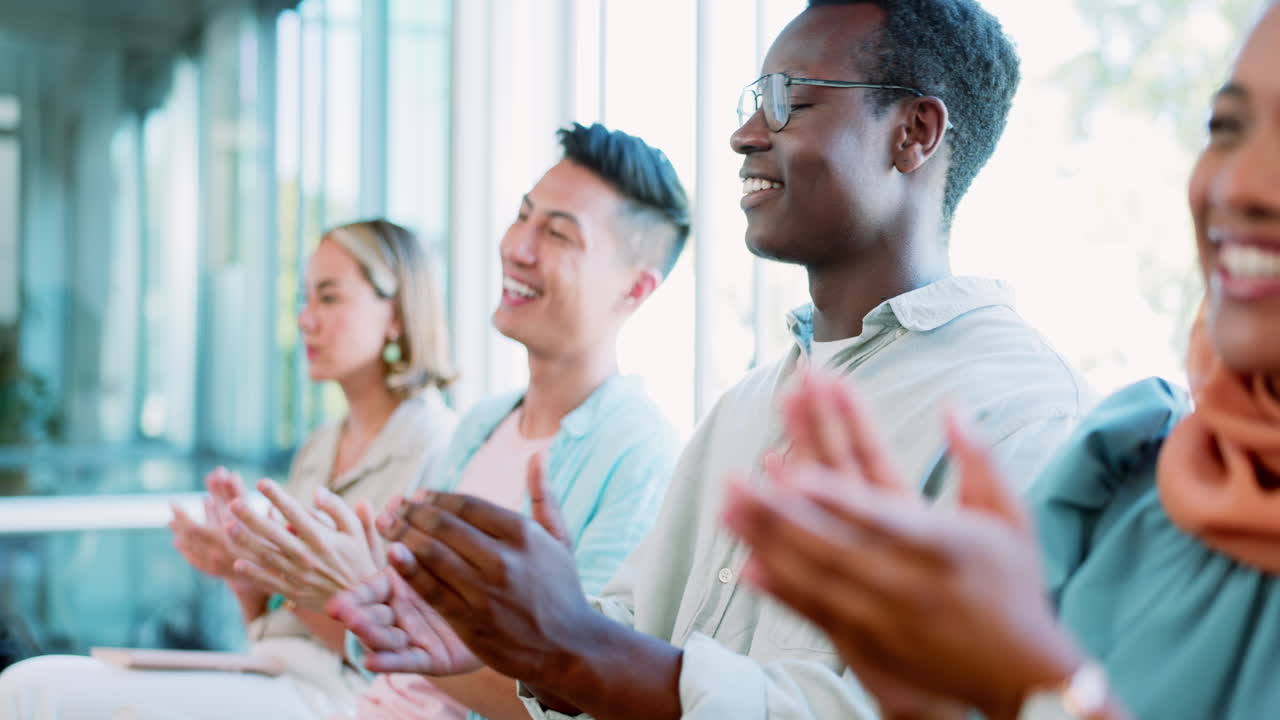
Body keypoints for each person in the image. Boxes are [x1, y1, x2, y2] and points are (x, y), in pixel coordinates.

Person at [337, 2, 1094, 719]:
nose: (744, 133)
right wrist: (523, 646)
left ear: (914, 132)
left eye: (787, 98)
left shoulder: (1019, 411)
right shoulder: (749, 405)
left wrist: (574, 643)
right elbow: (637, 637)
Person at [722, 4, 1280, 719]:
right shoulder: (1134, 479)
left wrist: (1049, 691)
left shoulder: (1037, 416)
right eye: (1226, 128)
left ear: (917, 133)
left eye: (788, 101)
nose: (1239, 188)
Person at [237, 122, 690, 720]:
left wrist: (366, 609)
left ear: (634, 289)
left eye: (556, 233)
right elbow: (397, 641)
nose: (517, 247)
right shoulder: (480, 426)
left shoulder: (643, 459)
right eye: (524, 216)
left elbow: (574, 693)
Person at [0, 220, 460, 720]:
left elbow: (406, 656)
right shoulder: (321, 446)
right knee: (40, 682)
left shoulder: (438, 447)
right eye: (305, 299)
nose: (306, 319)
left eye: (329, 299)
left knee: (31, 690)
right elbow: (279, 624)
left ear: (396, 314)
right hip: (274, 670)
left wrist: (273, 570)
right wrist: (243, 575)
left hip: (350, 696)